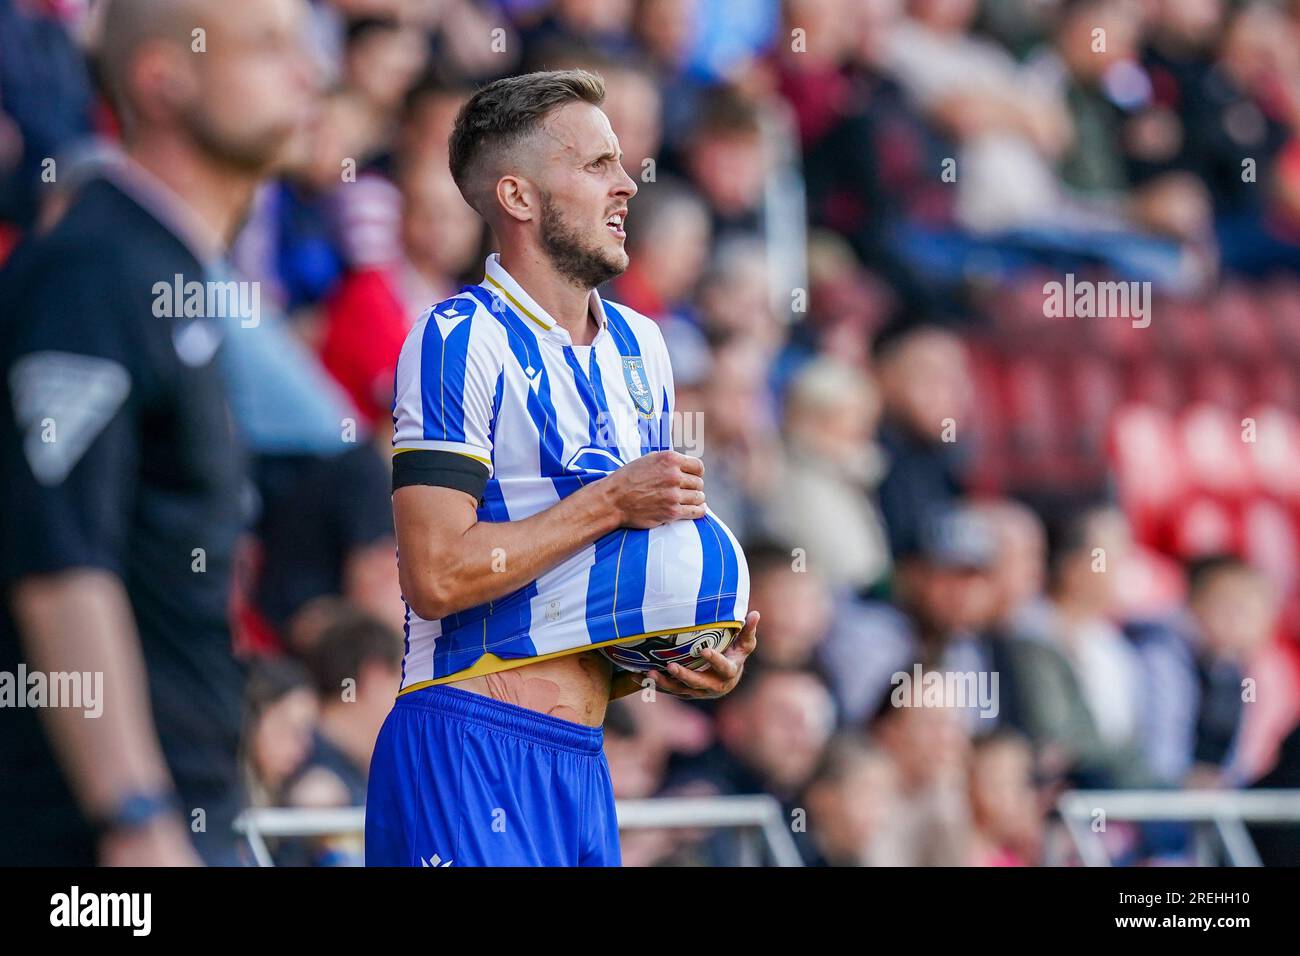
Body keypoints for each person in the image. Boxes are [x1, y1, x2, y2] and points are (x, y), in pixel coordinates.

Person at [364, 70, 760, 867]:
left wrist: (668, 655)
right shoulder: (455, 337)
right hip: (468, 746)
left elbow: (588, 591)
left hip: (581, 761)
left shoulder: (644, 347)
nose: (627, 184)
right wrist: (614, 498)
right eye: (597, 165)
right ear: (518, 197)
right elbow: (435, 575)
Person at [0, 0, 315, 865]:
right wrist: (132, 814)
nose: (307, 73)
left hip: (191, 804)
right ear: (162, 79)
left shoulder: (169, 271)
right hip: (97, 839)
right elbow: (60, 568)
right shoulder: (98, 271)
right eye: (268, 47)